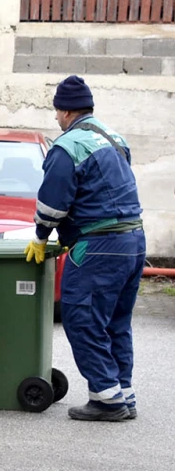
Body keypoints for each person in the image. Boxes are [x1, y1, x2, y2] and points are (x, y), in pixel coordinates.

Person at [27, 76, 145, 422]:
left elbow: (53, 202)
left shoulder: (69, 146)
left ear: (64, 111)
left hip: (99, 245)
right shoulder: (113, 138)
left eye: (57, 112)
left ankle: (107, 400)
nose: (56, 119)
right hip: (133, 242)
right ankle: (121, 393)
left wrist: (39, 236)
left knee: (83, 318)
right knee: (115, 322)